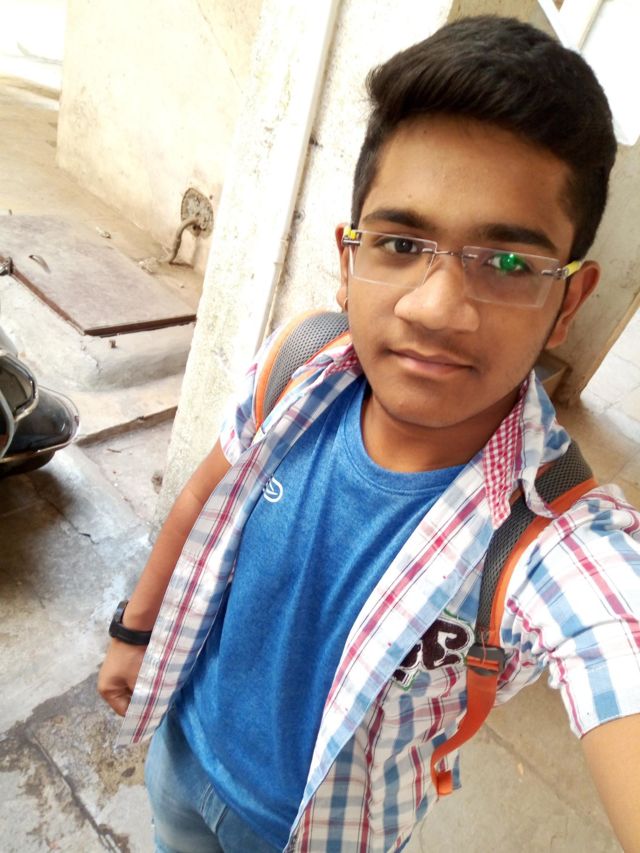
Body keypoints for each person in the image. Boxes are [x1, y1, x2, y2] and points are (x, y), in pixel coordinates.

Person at [99, 15, 640, 853]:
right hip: (182, 744)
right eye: (400, 242)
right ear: (349, 262)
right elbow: (203, 493)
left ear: (568, 300)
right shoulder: (300, 363)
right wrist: (134, 631)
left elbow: (615, 637)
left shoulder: (550, 539)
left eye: (506, 263)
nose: (435, 309)